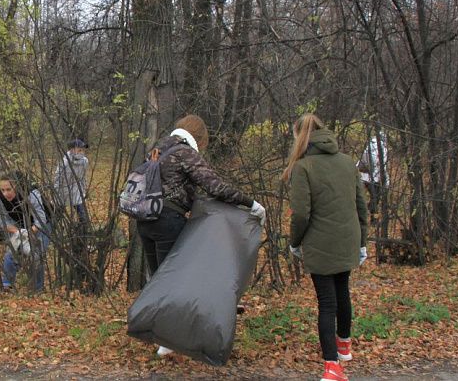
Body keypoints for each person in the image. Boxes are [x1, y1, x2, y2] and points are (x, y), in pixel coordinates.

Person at [137, 114, 264, 357]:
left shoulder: (157, 149)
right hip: (167, 220)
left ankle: (155, 332)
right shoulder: (185, 153)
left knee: (157, 278)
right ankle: (166, 339)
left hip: (145, 220)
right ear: (199, 137)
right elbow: (215, 186)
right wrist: (251, 203)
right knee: (172, 281)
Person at [283, 113, 368, 381]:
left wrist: (295, 243)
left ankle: (332, 367)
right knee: (342, 292)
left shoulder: (303, 167)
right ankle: (344, 347)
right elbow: (361, 206)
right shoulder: (347, 162)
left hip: (320, 243)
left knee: (327, 303)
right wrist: (362, 242)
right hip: (348, 239)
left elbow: (300, 215)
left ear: (300, 136)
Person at [0, 171, 52, 292]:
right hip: (18, 224)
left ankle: (38, 289)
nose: (5, 193)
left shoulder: (32, 194)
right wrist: (19, 232)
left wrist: (29, 233)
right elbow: (3, 221)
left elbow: (40, 220)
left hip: (43, 224)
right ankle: (7, 286)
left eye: (9, 189)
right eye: (3, 190)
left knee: (36, 255)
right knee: (12, 250)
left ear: (17, 187)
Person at [53, 138, 90, 225]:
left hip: (77, 192)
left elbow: (83, 177)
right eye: (79, 148)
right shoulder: (64, 163)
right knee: (56, 217)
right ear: (72, 149)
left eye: (83, 148)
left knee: (83, 217)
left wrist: (84, 190)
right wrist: (56, 194)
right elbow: (57, 179)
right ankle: (51, 231)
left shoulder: (85, 161)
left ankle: (84, 231)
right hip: (63, 192)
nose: (82, 150)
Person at [357, 130, 389, 216]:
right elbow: (382, 165)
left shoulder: (370, 145)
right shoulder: (382, 148)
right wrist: (386, 182)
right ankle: (372, 216)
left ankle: (366, 212)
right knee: (375, 197)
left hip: (362, 176)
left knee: (363, 197)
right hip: (373, 178)